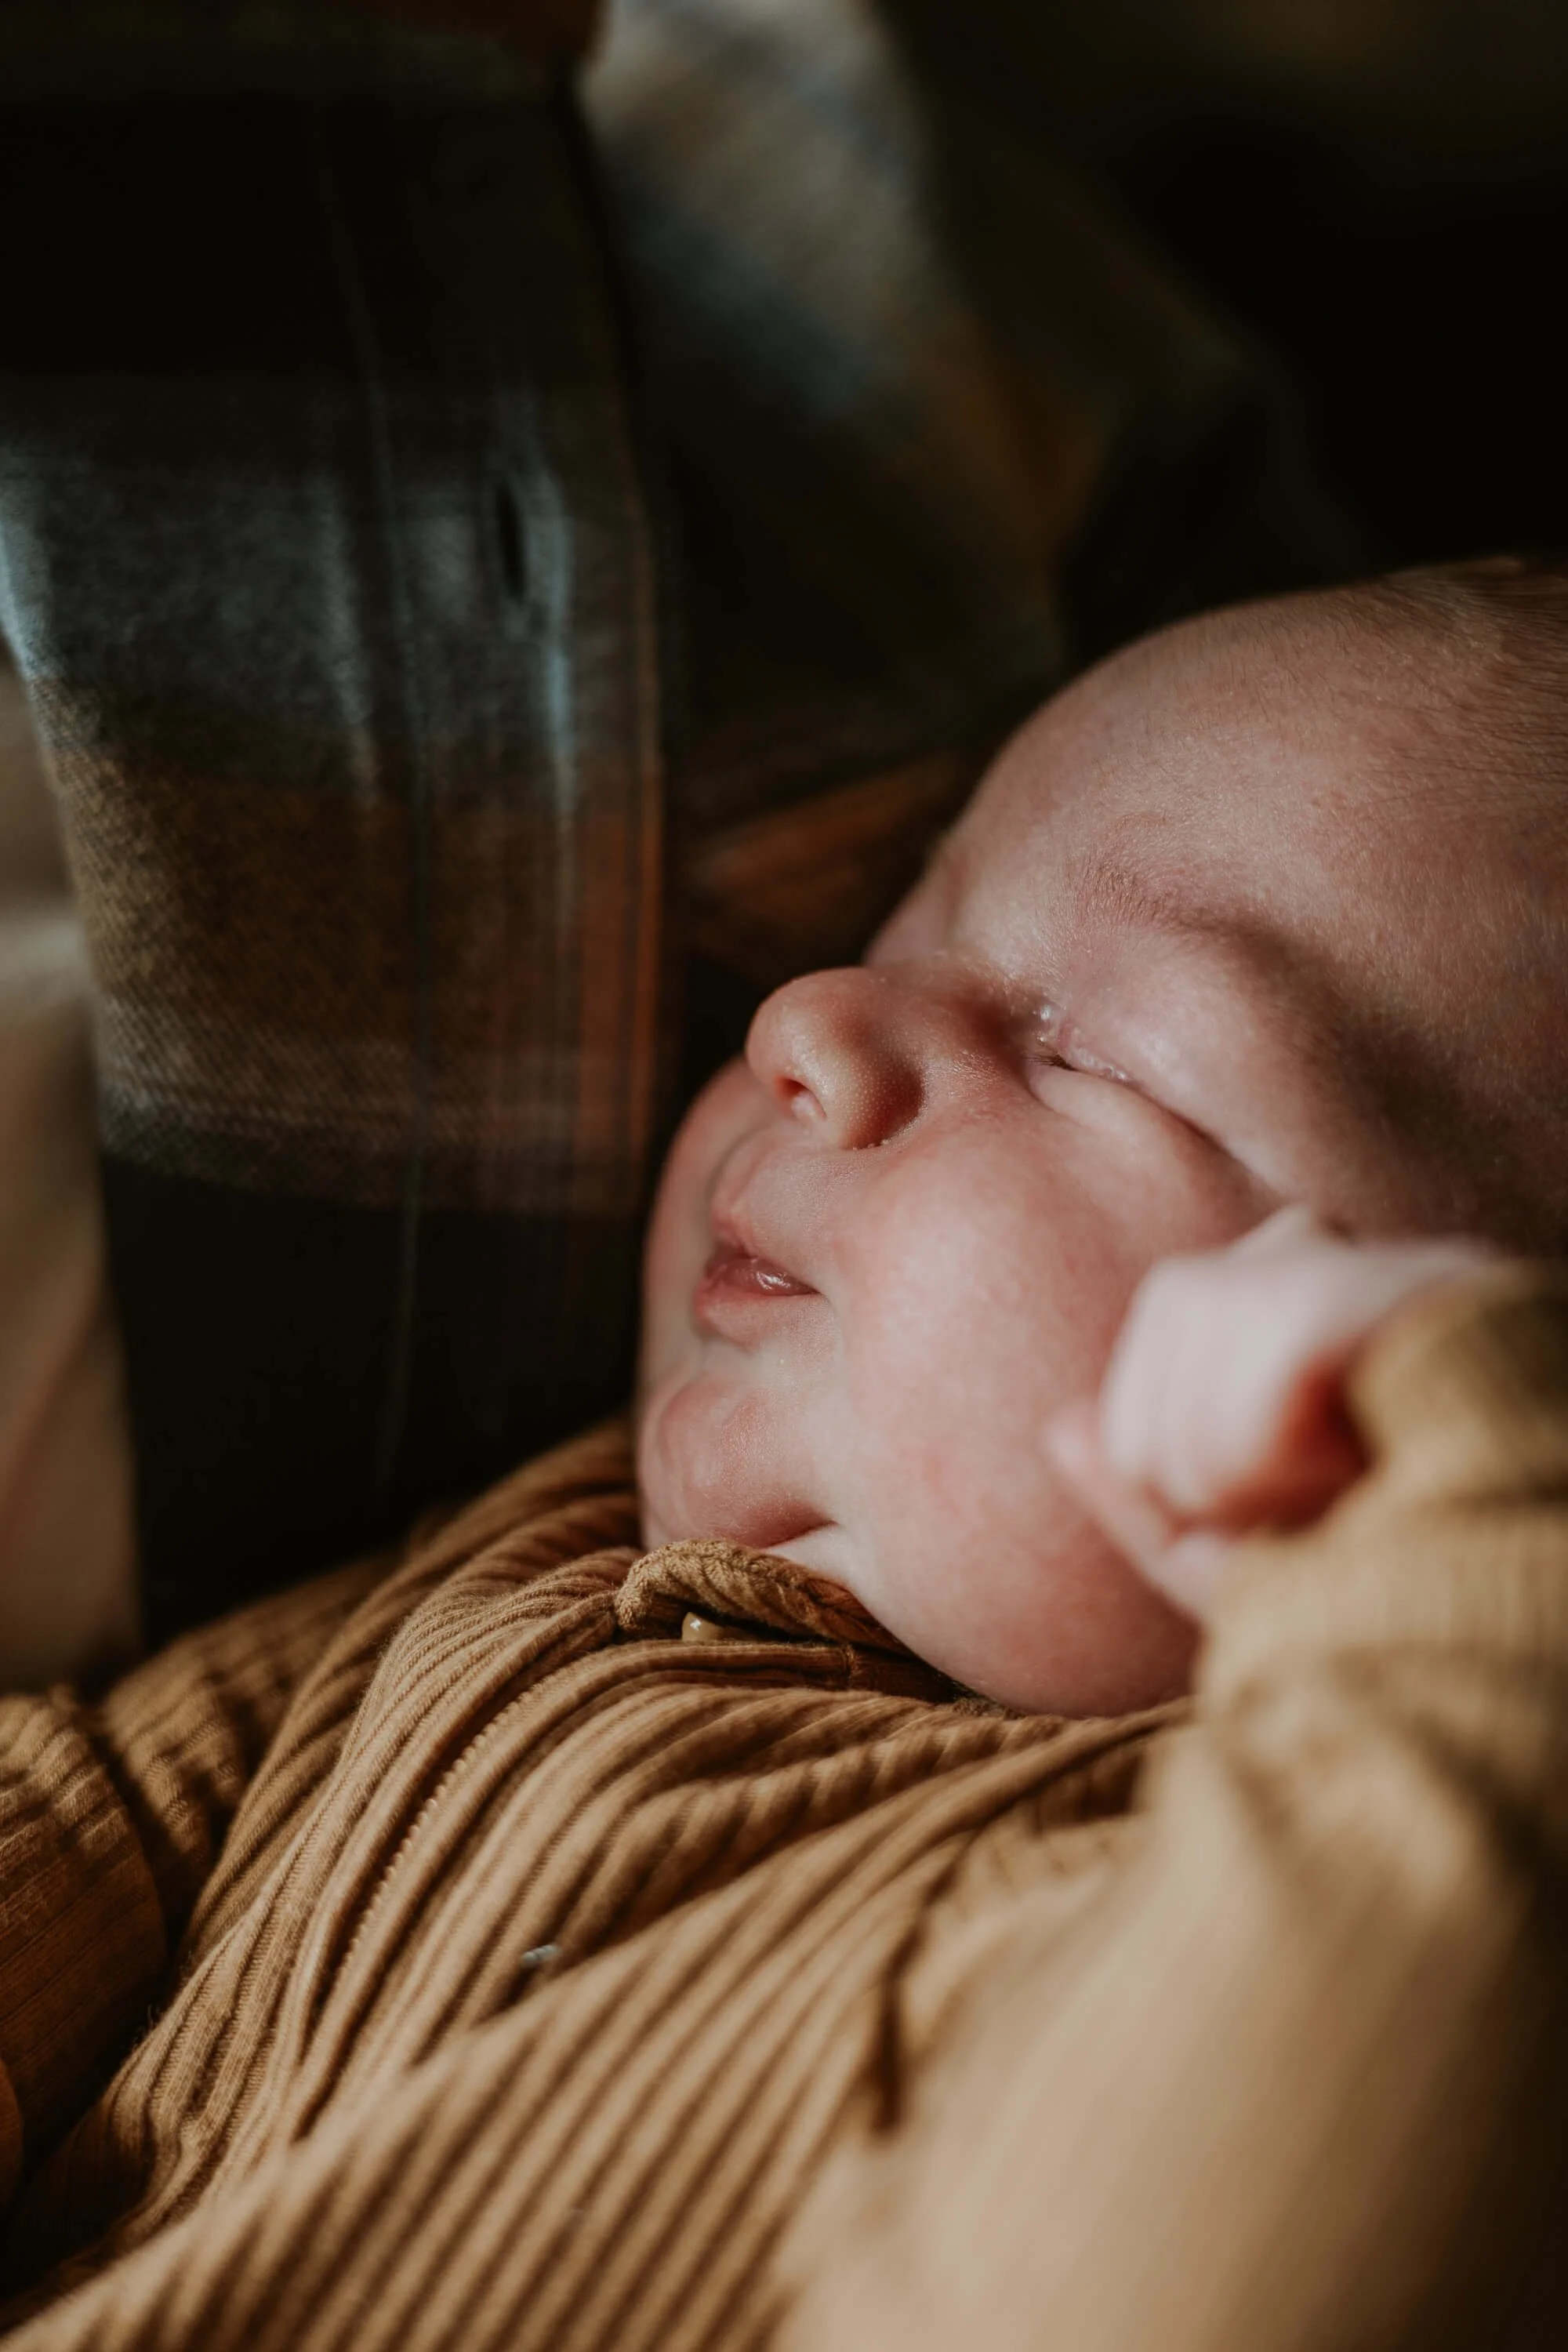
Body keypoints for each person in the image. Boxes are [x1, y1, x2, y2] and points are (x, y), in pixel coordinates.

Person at [0, 563, 1564, 2351]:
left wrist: (1486, 1525)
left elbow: (1275, 2230)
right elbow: (105, 1813)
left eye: (1110, 1055)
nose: (807, 1021)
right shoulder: (546, 1545)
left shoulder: (1192, 1909)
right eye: (904, 935)